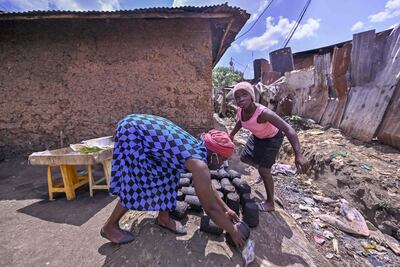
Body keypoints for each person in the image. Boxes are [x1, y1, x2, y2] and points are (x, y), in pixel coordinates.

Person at [101, 114, 245, 247]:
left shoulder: (201, 148)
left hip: (146, 130)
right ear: (214, 155)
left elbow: (207, 186)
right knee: (140, 183)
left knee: (169, 174)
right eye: (223, 159)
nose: (222, 164)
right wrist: (233, 231)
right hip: (133, 132)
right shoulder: (198, 164)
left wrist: (226, 209)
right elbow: (210, 208)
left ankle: (163, 218)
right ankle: (109, 227)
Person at [229, 82, 309, 212]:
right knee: (245, 158)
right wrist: (231, 134)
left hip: (272, 138)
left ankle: (270, 203)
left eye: (244, 95)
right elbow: (241, 122)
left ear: (252, 96)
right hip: (257, 136)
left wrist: (298, 154)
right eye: (237, 97)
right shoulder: (240, 110)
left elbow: (288, 129)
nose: (241, 99)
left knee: (264, 170)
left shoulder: (263, 113)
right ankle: (263, 169)